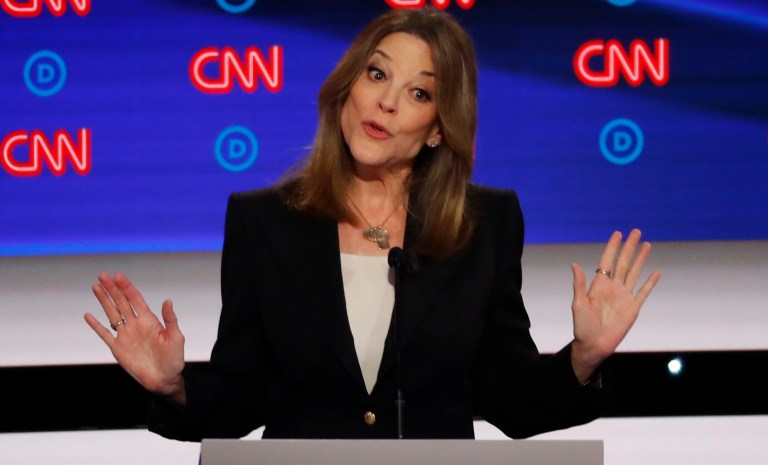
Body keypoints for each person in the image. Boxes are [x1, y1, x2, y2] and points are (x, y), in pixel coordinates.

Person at [84, 7, 660, 440]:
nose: (385, 103)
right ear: (346, 90)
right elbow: (243, 395)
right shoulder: (263, 223)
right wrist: (174, 387)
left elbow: (506, 396)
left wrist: (583, 358)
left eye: (417, 92)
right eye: (376, 75)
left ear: (438, 127)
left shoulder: (484, 225)